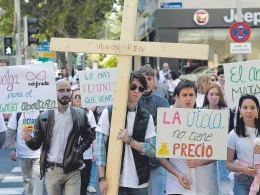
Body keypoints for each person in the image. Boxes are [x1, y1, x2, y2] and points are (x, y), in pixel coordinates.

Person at [21, 79, 94, 195]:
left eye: (68, 90)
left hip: (73, 169)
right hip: (52, 170)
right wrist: (29, 140)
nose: (65, 94)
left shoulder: (79, 114)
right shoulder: (43, 117)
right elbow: (36, 144)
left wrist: (79, 150)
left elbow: (89, 136)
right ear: (54, 92)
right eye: (61, 90)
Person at [96, 72, 156, 195]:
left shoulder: (146, 117)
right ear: (125, 87)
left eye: (141, 89)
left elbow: (152, 149)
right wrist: (102, 178)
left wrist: (129, 140)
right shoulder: (109, 113)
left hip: (139, 183)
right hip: (115, 182)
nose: (136, 91)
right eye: (133, 87)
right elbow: (101, 149)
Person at [159, 79, 218, 195]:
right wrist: (177, 174)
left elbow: (217, 152)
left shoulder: (206, 120)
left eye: (191, 95)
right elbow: (160, 156)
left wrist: (199, 162)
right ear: (177, 97)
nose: (188, 98)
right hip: (175, 184)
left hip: (201, 184)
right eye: (184, 95)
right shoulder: (168, 119)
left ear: (196, 97)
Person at [137, 65, 169, 195]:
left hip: (158, 162)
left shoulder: (162, 102)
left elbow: (166, 130)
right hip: (136, 164)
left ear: (154, 81)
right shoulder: (130, 101)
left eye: (149, 78)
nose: (147, 82)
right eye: (143, 78)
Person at [202, 84, 233, 195]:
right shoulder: (199, 112)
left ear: (221, 96)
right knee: (209, 189)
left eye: (217, 94)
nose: (214, 97)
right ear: (206, 96)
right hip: (206, 155)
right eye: (211, 94)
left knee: (225, 190)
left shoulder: (229, 112)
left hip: (223, 156)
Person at [226, 94, 260, 195]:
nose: (248, 111)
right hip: (242, 179)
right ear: (240, 109)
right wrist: (243, 169)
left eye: (252, 107)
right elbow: (228, 163)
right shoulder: (233, 134)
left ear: (258, 110)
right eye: (245, 107)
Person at [5, 111, 43, 195]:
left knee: (37, 177)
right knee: (27, 179)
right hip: (23, 152)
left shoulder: (41, 112)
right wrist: (11, 149)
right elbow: (10, 132)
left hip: (38, 152)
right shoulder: (17, 114)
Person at [71, 88, 97, 195]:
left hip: (86, 155)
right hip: (71, 155)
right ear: (72, 99)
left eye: (80, 96)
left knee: (84, 183)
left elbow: (93, 134)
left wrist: (95, 151)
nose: (77, 98)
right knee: (71, 186)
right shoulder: (67, 113)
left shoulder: (89, 113)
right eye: (75, 96)